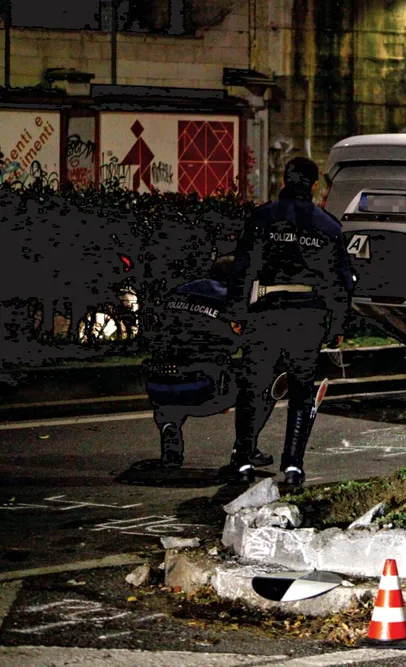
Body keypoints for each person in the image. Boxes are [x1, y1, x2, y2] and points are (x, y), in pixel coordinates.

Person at [226, 157, 355, 486]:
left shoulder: (262, 218)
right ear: (313, 186)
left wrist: (237, 312)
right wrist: (337, 325)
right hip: (307, 315)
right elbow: (340, 281)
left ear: (284, 180)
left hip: (266, 311)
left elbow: (242, 269)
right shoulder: (327, 226)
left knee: (253, 388)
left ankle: (243, 459)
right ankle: (293, 465)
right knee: (301, 392)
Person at [136, 255, 277, 472]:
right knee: (267, 383)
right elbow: (249, 342)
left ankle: (169, 432)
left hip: (158, 388)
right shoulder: (233, 300)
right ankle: (245, 450)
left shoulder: (177, 292)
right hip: (206, 389)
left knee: (172, 369)